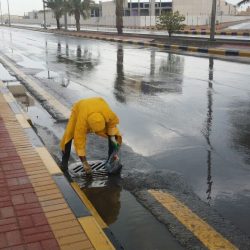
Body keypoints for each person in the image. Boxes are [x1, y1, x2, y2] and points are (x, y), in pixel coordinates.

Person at [60, 97, 122, 174]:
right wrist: (84, 163)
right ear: (88, 125)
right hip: (80, 108)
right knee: (69, 135)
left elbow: (112, 127)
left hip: (99, 103)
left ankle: (111, 159)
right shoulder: (82, 122)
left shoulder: (108, 114)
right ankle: (64, 162)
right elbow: (79, 141)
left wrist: (115, 148)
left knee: (112, 134)